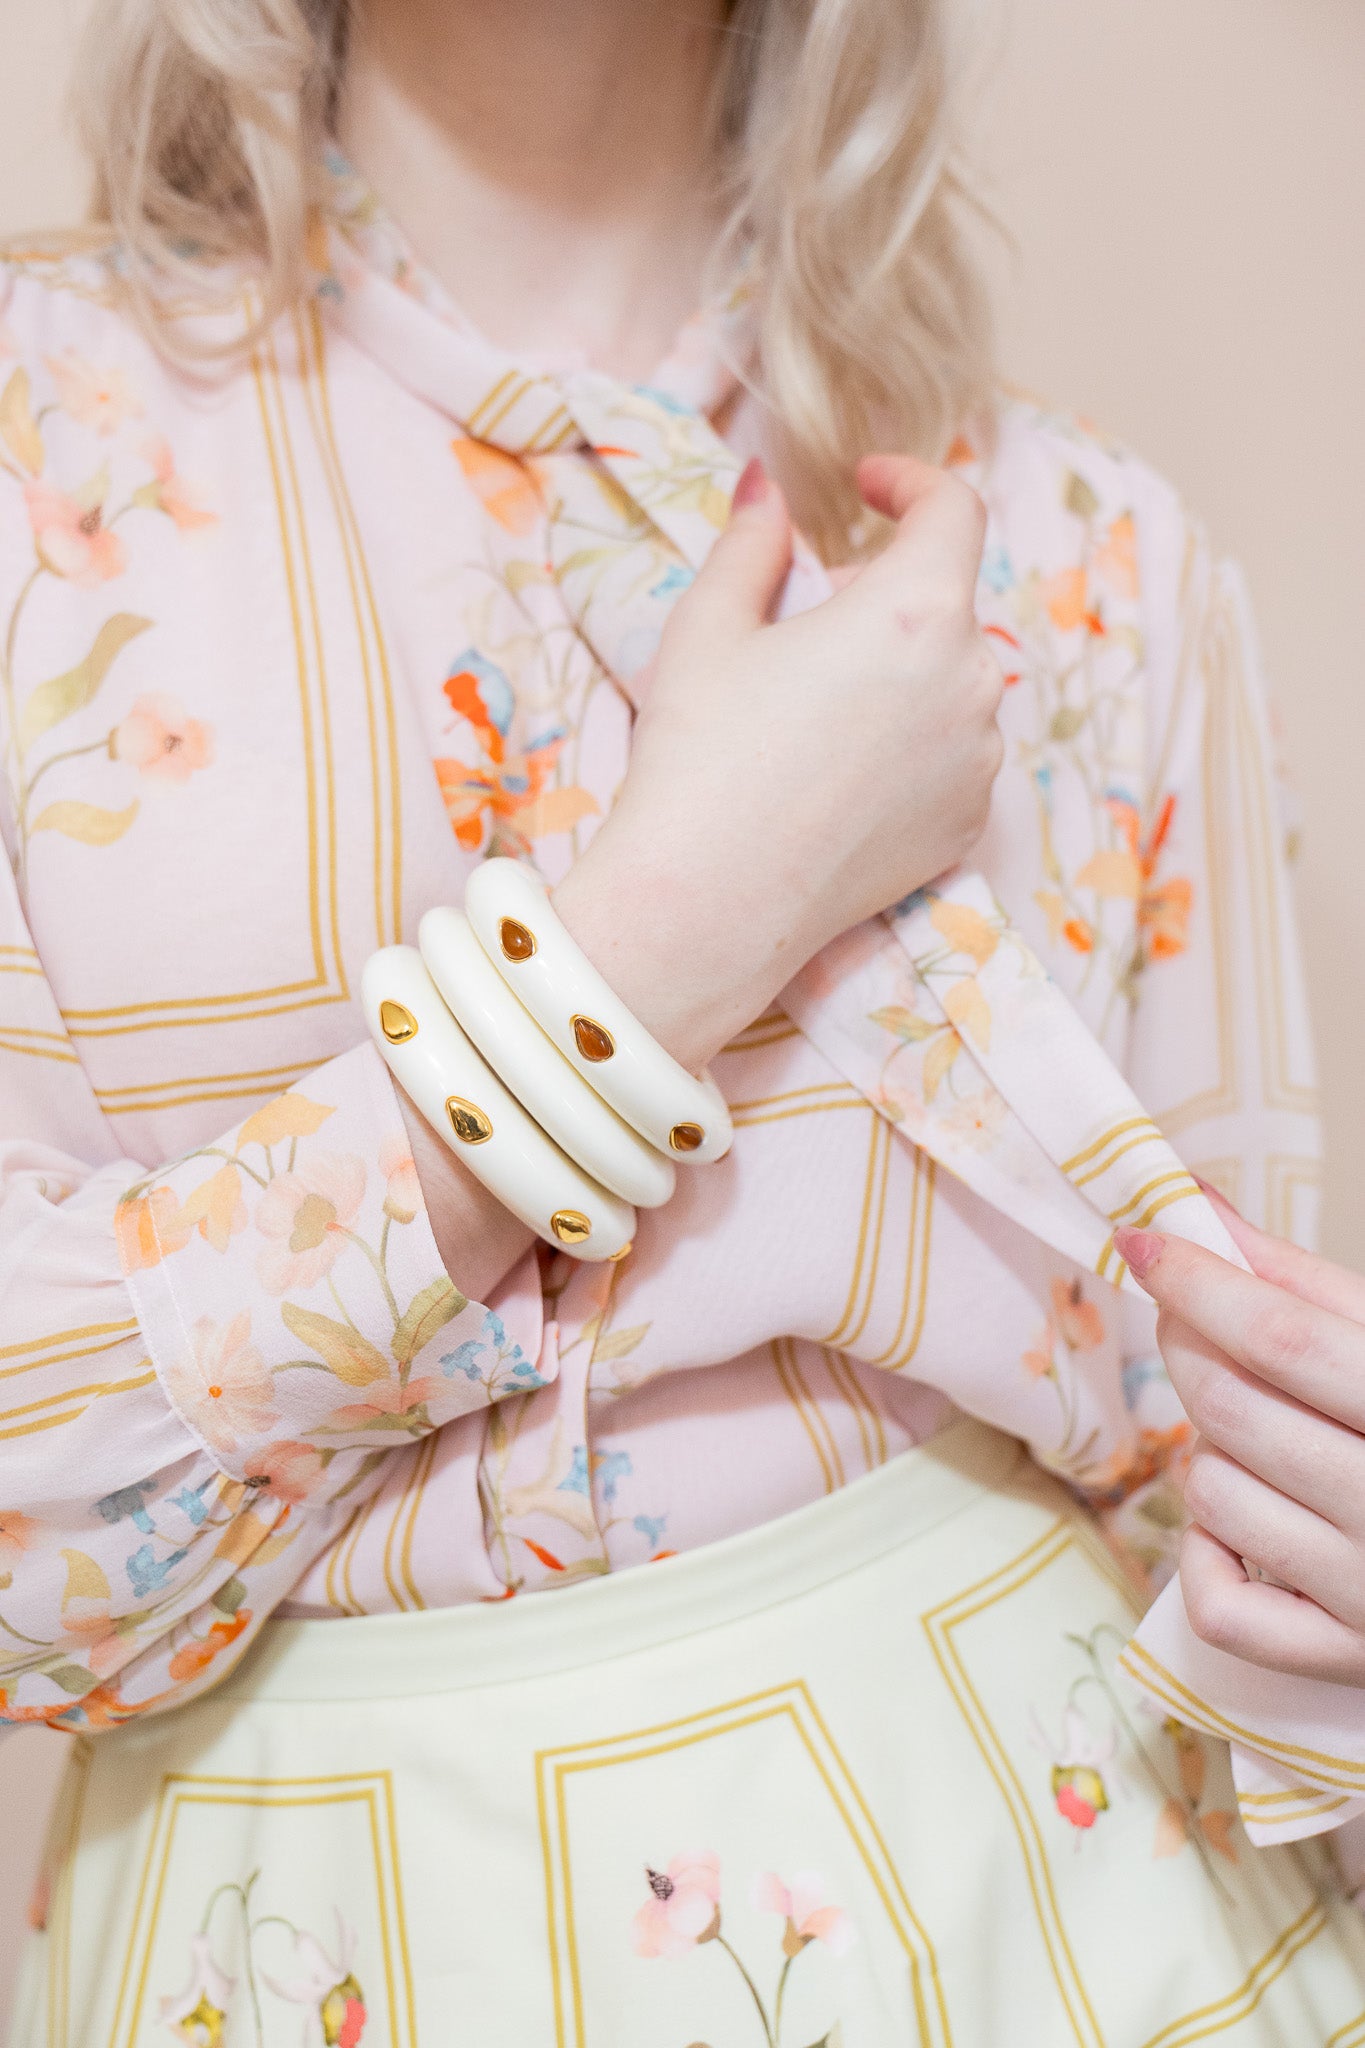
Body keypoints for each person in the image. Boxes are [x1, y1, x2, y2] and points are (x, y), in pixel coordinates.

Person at [2, 0, 1362, 2040]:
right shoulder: (31, 464)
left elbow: (1227, 1544)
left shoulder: (1093, 551)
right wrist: (652, 948)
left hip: (1089, 1936)